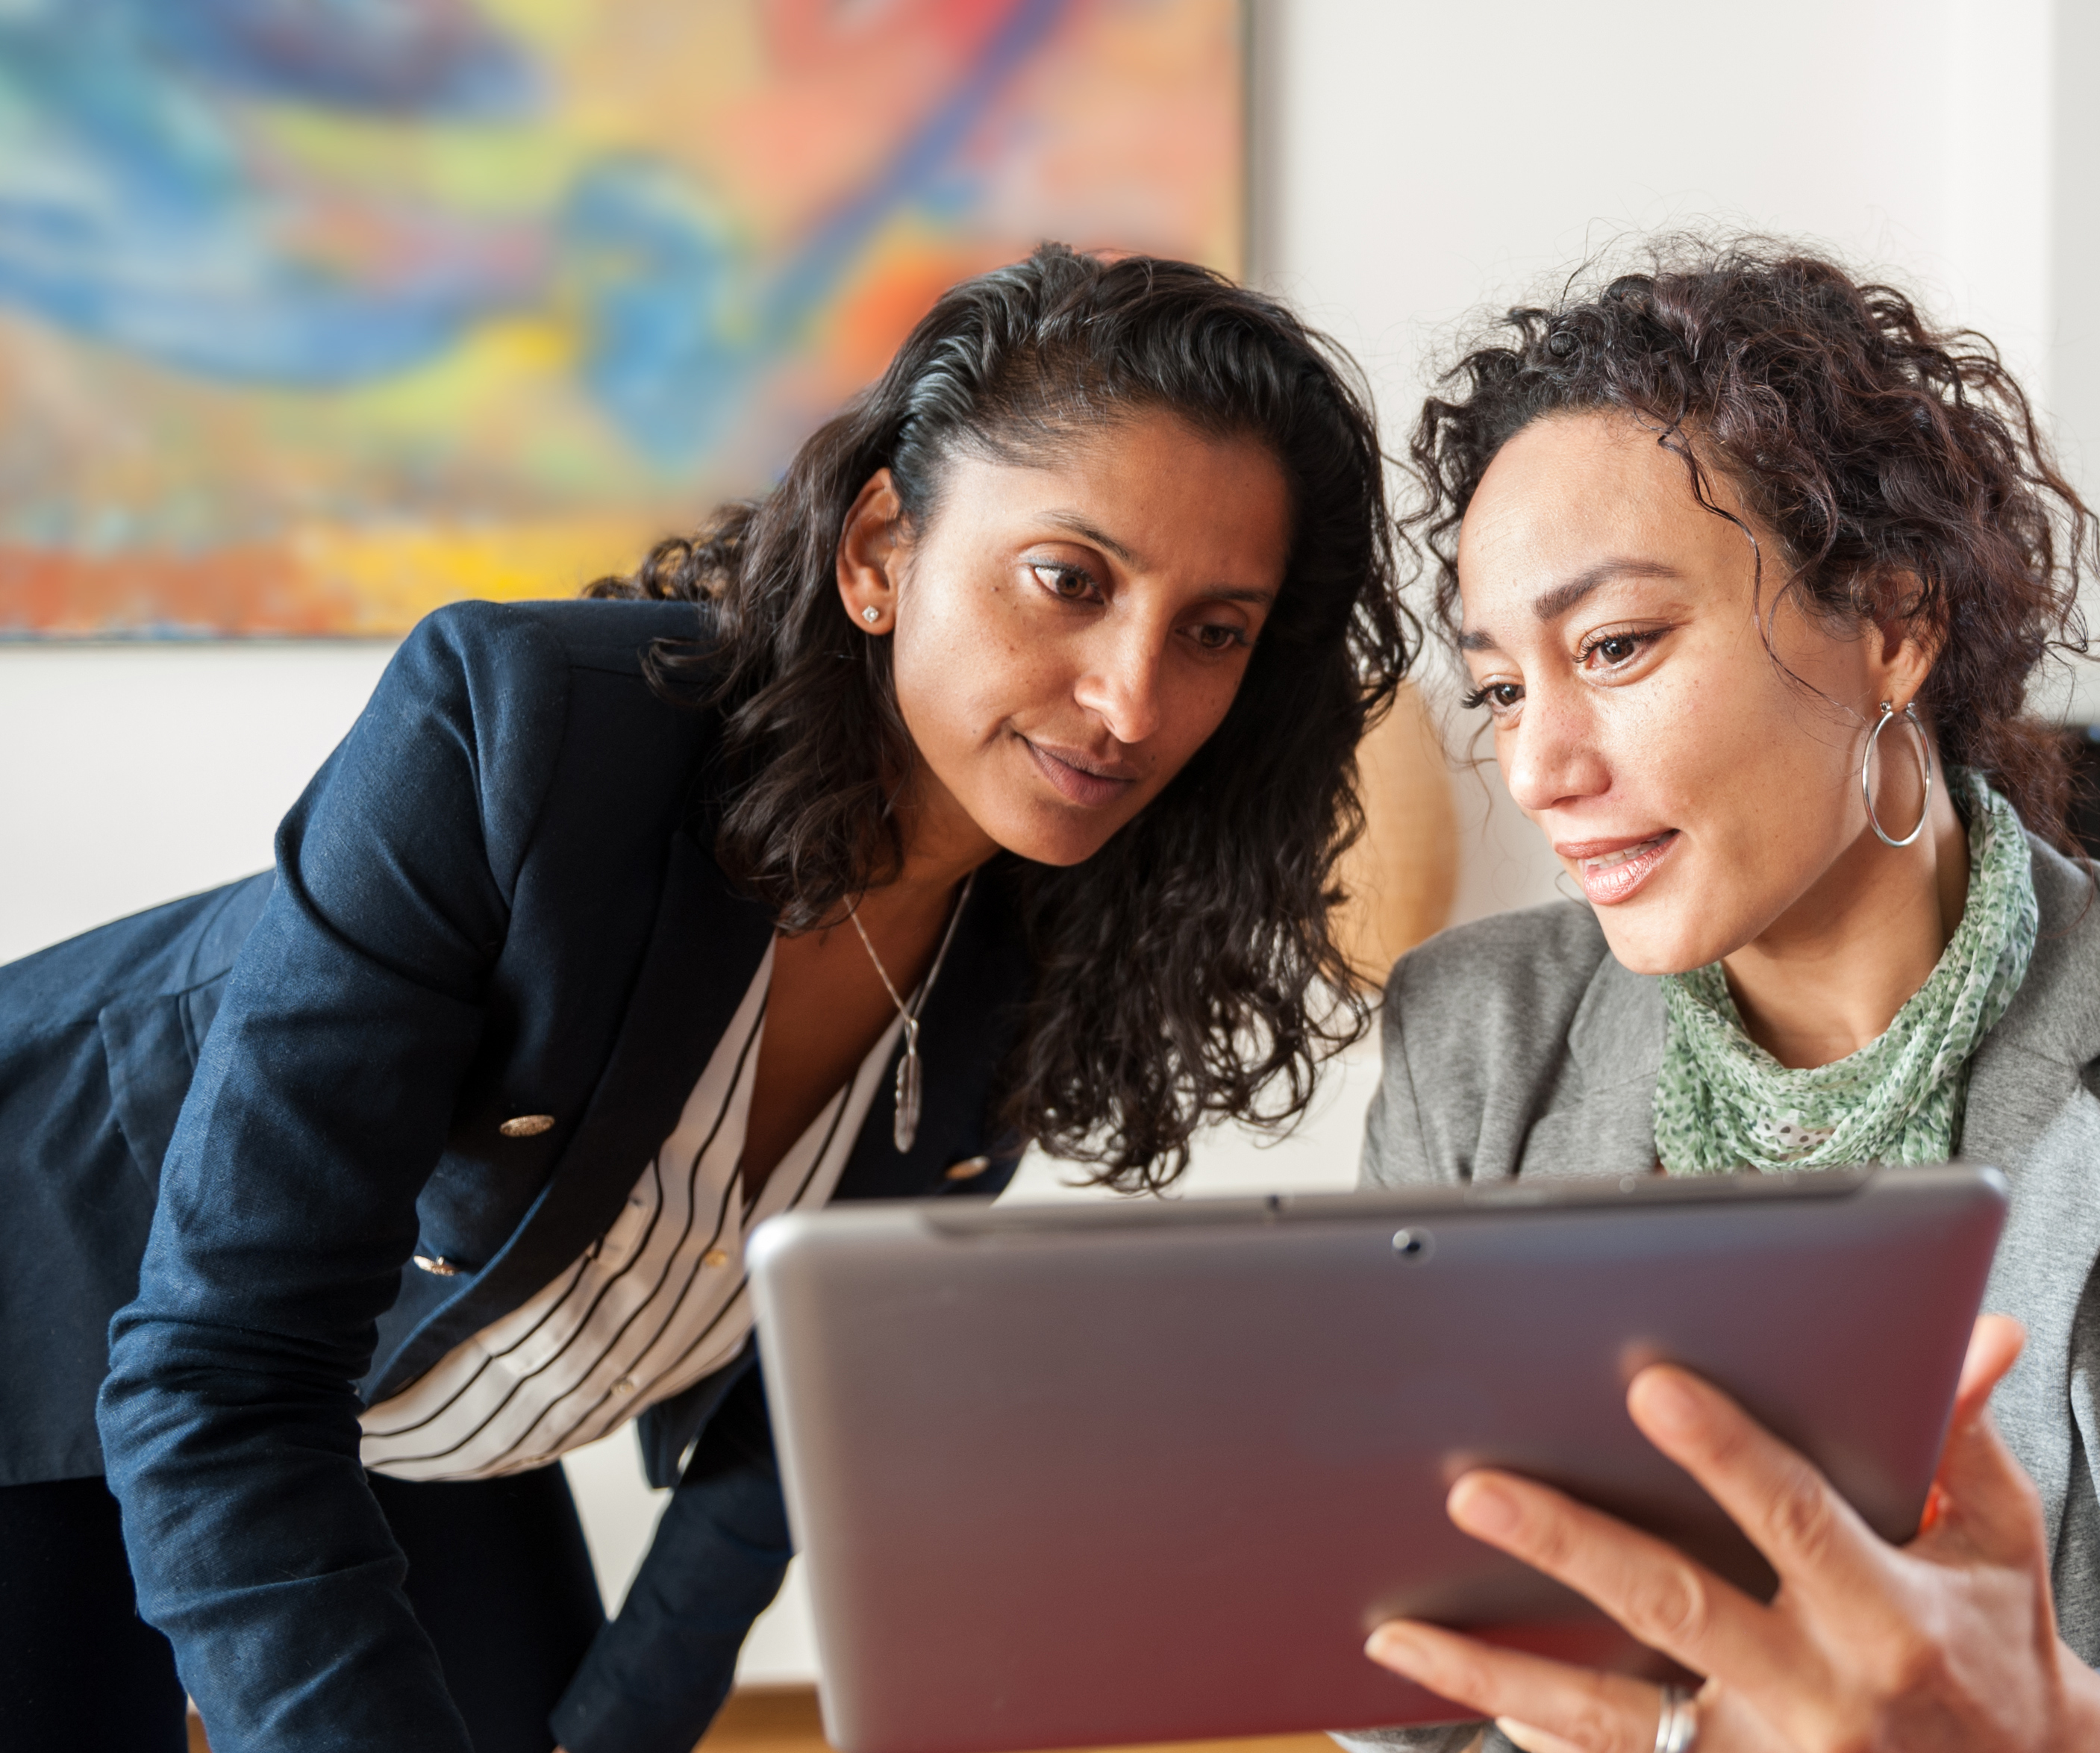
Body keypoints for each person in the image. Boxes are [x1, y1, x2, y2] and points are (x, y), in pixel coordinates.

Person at [0, 243, 1410, 1753]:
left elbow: (794, 1415)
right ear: (878, 551)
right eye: (1068, 581)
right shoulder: (518, 734)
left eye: (1213, 630)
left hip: (427, 1410)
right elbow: (219, 1374)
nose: (1132, 699)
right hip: (70, 1321)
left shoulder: (1057, 919)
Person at [1343, 239, 2100, 1752]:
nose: (1538, 768)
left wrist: (2034, 1731)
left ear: (1890, 626)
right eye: (1499, 685)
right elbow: (1401, 1702)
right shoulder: (1471, 1039)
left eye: (1613, 646)